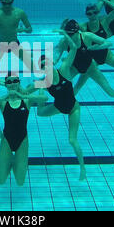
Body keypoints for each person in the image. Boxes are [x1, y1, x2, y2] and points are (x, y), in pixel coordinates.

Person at [26, 30, 87, 181]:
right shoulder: (44, 82)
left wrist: (64, 33)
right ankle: (41, 95)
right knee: (39, 112)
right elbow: (25, 91)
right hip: (58, 107)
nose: (45, 67)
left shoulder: (65, 69)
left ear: (51, 63)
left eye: (46, 64)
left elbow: (73, 48)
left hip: (73, 108)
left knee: (72, 140)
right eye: (42, 66)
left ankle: (83, 168)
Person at [55, 19, 114, 116]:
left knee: (110, 92)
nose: (69, 37)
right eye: (67, 35)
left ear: (77, 32)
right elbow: (55, 56)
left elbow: (107, 43)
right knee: (58, 84)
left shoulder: (86, 36)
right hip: (75, 68)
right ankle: (56, 107)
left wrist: (97, 47)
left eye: (70, 35)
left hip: (91, 69)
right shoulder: (64, 42)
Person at [0, 74, 48, 186]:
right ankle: (1, 143)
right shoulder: (2, 102)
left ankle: (13, 160)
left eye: (15, 81)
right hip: (7, 139)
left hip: (22, 140)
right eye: (9, 82)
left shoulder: (26, 100)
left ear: (19, 82)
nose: (12, 84)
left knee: (20, 182)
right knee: (1, 181)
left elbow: (45, 98)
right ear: (6, 85)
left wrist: (20, 95)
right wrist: (3, 98)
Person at [73, 1, 114, 93]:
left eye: (95, 12)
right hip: (92, 60)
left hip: (107, 56)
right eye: (89, 14)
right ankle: (68, 100)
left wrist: (104, 0)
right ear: (86, 15)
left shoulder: (104, 22)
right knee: (78, 86)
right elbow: (68, 30)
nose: (93, 15)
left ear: (98, 13)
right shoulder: (83, 26)